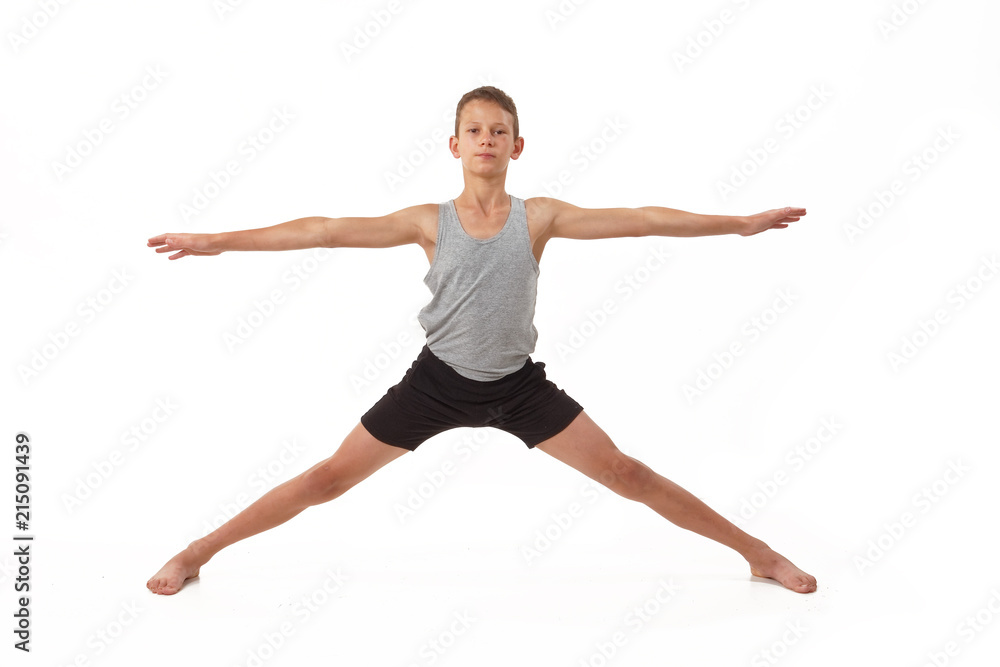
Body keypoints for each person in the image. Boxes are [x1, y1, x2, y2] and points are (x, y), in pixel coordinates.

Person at [145, 86, 816, 596]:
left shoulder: (540, 217)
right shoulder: (428, 221)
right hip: (435, 383)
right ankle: (197, 552)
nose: (486, 139)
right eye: (474, 130)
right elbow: (322, 229)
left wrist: (739, 224)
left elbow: (640, 219)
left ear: (517, 146)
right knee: (327, 478)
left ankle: (758, 552)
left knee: (625, 472)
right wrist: (216, 241)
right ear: (455, 145)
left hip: (519, 388)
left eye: (499, 131)